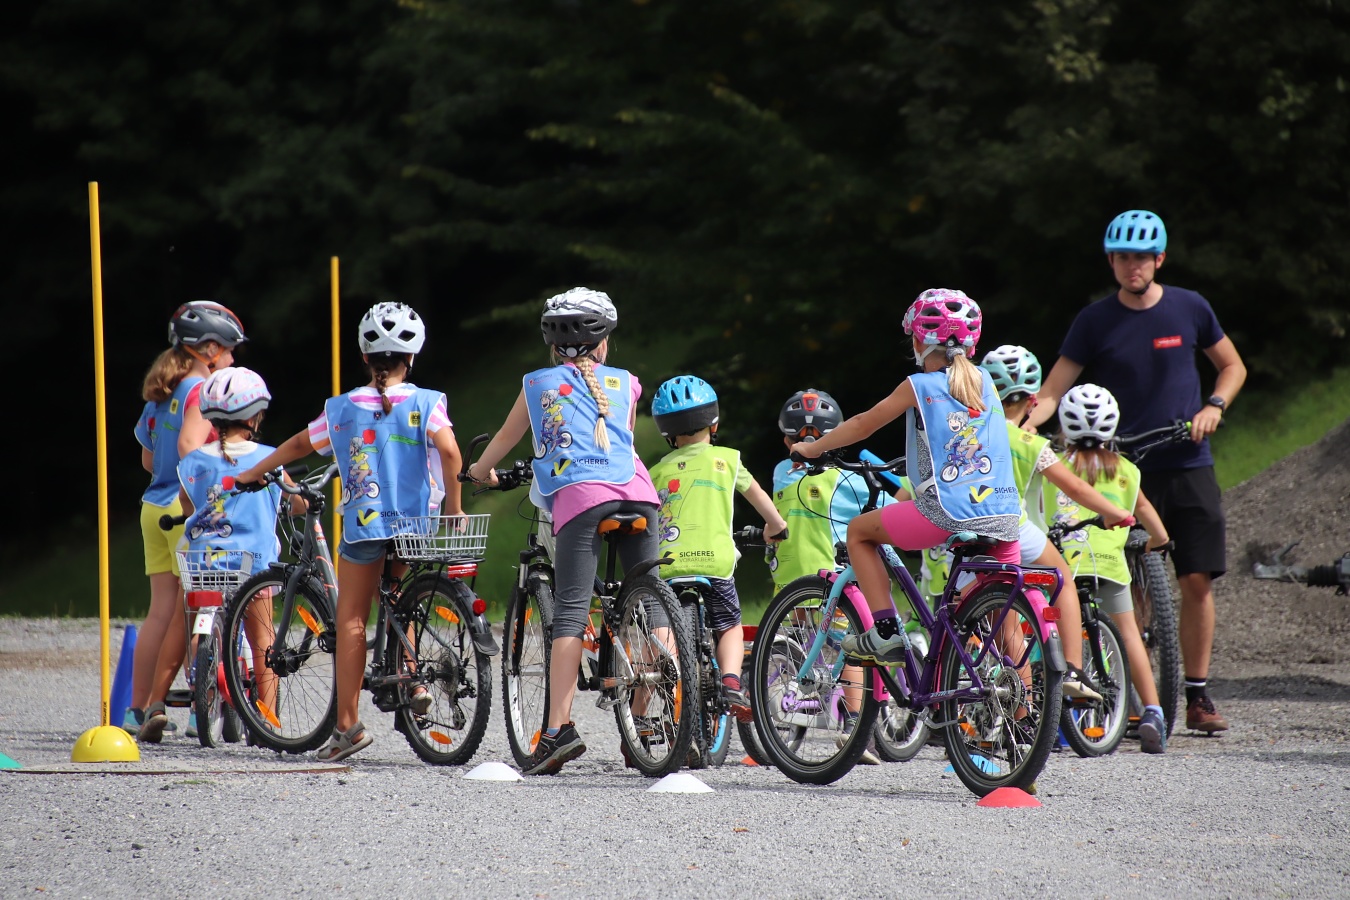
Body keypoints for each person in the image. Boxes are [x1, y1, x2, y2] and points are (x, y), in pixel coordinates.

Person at [1025, 210, 1247, 733]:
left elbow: (1232, 366)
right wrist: (1023, 428)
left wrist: (1214, 405)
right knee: (1122, 583)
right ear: (1111, 262)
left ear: (1159, 259)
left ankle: (1197, 693)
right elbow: (1053, 389)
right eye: (1123, 257)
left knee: (1196, 577)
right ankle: (1129, 693)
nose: (1133, 266)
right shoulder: (1095, 320)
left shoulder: (1190, 308)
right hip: (1116, 467)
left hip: (1185, 460)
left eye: (1142, 257)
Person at [238, 302, 464, 761]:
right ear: (412, 357)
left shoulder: (342, 409)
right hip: (414, 523)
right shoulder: (427, 402)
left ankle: (347, 727)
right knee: (399, 600)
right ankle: (414, 680)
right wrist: (454, 508)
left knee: (352, 620)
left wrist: (253, 472)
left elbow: (299, 444)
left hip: (366, 526)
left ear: (364, 356)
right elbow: (451, 454)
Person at [466, 287, 660, 775]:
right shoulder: (626, 383)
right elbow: (621, 441)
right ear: (604, 342)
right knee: (652, 601)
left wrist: (479, 471)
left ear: (553, 345)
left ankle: (557, 731)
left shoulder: (537, 384)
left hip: (582, 498)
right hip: (639, 493)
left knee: (571, 610)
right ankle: (655, 721)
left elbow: (508, 437)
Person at [791, 289, 1022, 663]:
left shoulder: (920, 385)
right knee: (1008, 627)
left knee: (859, 532)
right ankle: (1025, 699)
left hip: (947, 512)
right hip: (1005, 515)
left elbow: (863, 424)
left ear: (918, 342)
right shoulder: (986, 382)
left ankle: (885, 633)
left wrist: (813, 448)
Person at [137, 367, 302, 742]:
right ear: (255, 416)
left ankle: (156, 705)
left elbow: (186, 504)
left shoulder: (193, 462)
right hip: (254, 567)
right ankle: (267, 721)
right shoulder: (269, 458)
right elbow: (293, 502)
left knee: (180, 627)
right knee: (262, 640)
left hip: (203, 564)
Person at [980, 345, 1140, 703]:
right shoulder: (1030, 443)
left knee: (1004, 624)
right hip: (1014, 533)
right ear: (1032, 401)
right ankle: (1072, 670)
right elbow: (1075, 488)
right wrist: (1115, 513)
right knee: (1062, 579)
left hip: (967, 533)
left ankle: (1018, 711)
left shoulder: (970, 434)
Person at [126, 301, 246, 737]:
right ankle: (202, 709)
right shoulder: (202, 391)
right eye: (229, 351)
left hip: (152, 506)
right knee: (196, 610)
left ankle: (137, 709)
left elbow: (147, 459)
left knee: (160, 612)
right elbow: (189, 448)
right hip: (184, 506)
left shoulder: (162, 393)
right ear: (209, 349)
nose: (232, 359)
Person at [647, 375, 787, 723]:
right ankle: (731, 682)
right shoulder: (727, 460)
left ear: (667, 432)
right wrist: (776, 526)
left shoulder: (656, 471)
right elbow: (758, 497)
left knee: (659, 630)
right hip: (715, 563)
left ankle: (651, 700)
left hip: (668, 565)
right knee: (729, 626)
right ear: (714, 423)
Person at [1044, 384, 1173, 753]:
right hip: (1111, 566)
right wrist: (1152, 544)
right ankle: (1153, 713)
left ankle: (1056, 717)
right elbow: (1157, 530)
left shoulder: (1054, 465)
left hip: (1064, 565)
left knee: (1051, 633)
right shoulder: (1127, 471)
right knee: (1129, 635)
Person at [772, 388, 895, 764]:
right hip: (835, 583)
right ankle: (855, 728)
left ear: (787, 441)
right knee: (852, 649)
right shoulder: (848, 481)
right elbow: (891, 506)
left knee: (796, 647)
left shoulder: (780, 473)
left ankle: (789, 710)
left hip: (790, 586)